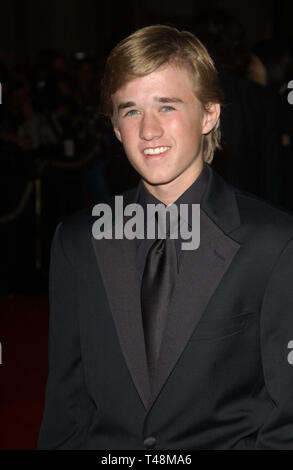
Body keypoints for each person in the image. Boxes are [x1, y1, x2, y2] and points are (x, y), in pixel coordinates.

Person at [38, 25, 293, 450]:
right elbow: (66, 406)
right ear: (116, 127)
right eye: (131, 110)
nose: (149, 130)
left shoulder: (275, 245)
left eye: (167, 106)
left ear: (209, 114)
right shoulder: (78, 243)